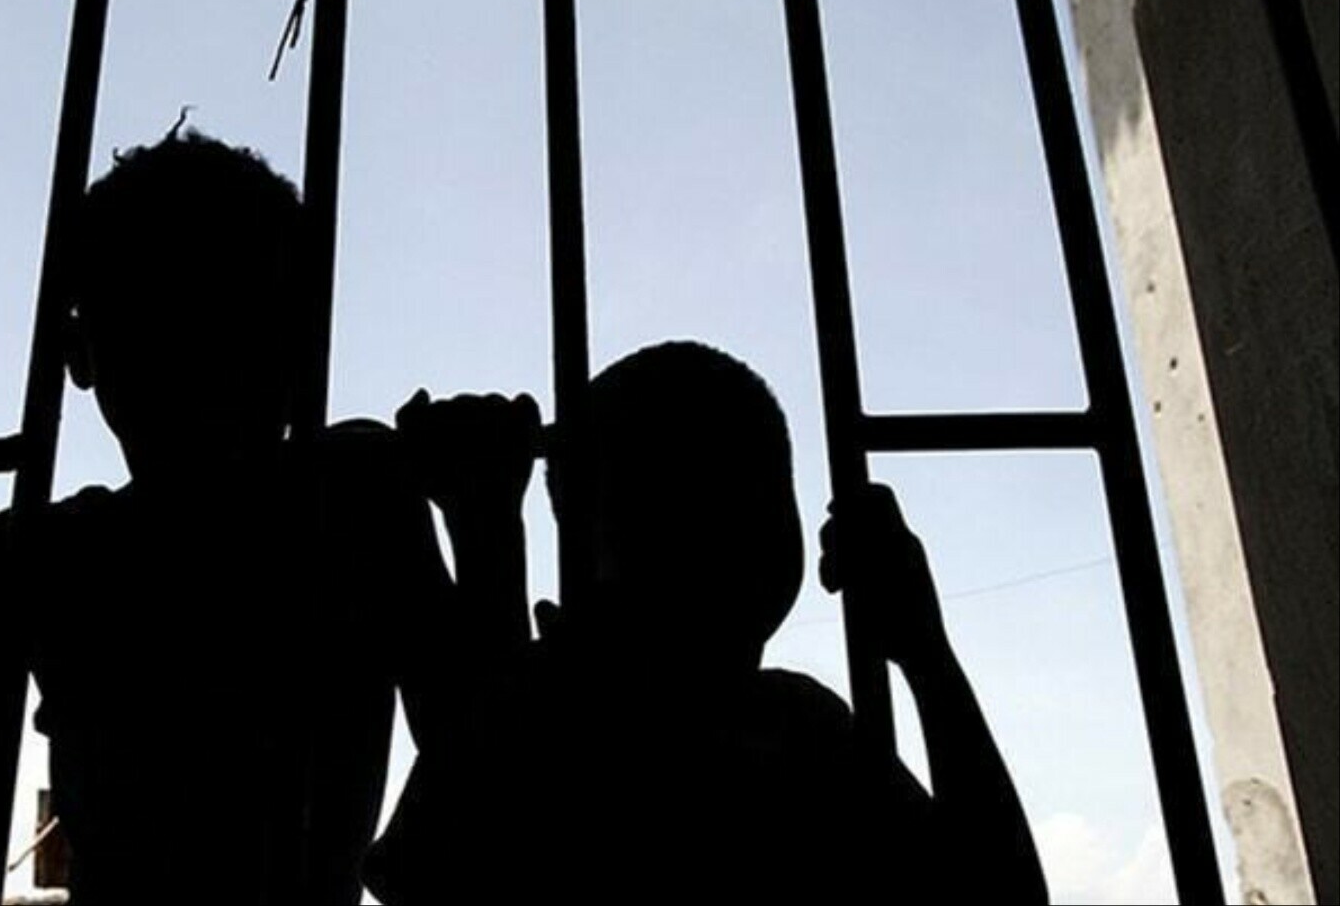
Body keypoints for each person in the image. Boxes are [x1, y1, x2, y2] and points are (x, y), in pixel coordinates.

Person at [0, 130, 456, 904]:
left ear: (79, 354)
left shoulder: (51, 557)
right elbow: (476, 744)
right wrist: (486, 520)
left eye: (224, 317)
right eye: (164, 321)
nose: (199, 357)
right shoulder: (353, 498)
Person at [366, 341, 1049, 903]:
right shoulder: (788, 726)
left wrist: (925, 653)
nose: (732, 528)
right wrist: (926, 655)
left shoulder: (801, 721)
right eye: (682, 497)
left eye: (759, 485)